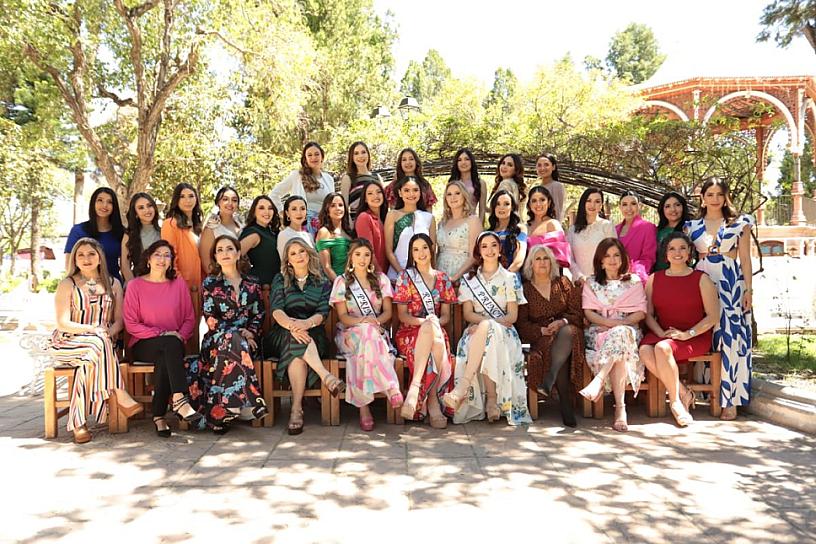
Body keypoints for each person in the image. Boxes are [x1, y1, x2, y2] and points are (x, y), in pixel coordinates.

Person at [50, 238, 141, 443]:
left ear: (100, 257)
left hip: (98, 345)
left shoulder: (113, 283)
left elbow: (119, 321)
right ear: (75, 259)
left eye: (91, 253)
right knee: (97, 342)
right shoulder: (68, 284)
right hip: (68, 341)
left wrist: (107, 332)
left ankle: (79, 423)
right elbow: (63, 323)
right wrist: (94, 330)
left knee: (91, 356)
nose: (86, 258)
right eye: (80, 255)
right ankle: (119, 392)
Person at [685, 178, 754, 421]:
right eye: (710, 194)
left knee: (730, 340)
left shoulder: (739, 224)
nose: (714, 199)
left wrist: (748, 290)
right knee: (707, 336)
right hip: (701, 283)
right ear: (702, 197)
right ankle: (705, 394)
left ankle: (730, 400)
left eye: (719, 194)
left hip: (730, 285)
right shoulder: (690, 226)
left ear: (726, 197)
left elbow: (745, 259)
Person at [445, 232, 531, 426]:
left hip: (505, 334)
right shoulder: (469, 280)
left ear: (500, 250)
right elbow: (467, 314)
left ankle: (463, 390)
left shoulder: (510, 278)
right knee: (487, 337)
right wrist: (485, 325)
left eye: (494, 245)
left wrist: (487, 324)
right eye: (484, 246)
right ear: (479, 251)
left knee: (489, 334)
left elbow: (512, 316)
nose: (490, 250)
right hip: (475, 332)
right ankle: (491, 401)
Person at [263, 238, 345, 435]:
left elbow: (322, 312)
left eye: (302, 251)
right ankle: (326, 377)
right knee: (295, 339)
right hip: (282, 332)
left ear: (308, 254)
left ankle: (296, 409)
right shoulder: (280, 279)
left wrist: (305, 324)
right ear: (288, 260)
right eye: (293, 253)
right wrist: (293, 326)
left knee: (297, 350)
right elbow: (277, 311)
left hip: (314, 333)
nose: (298, 256)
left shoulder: (322, 282)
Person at [187, 236, 268, 433]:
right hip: (217, 340)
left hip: (249, 342)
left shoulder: (252, 282)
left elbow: (259, 313)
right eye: (220, 250)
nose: (225, 253)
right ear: (215, 256)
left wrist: (250, 333)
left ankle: (227, 408)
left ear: (238, 253)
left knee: (236, 343)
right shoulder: (210, 283)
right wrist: (238, 333)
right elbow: (210, 318)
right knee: (232, 340)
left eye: (229, 248)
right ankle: (243, 404)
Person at [123, 240, 202, 437]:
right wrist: (163, 334)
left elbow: (189, 319)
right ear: (148, 259)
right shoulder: (135, 285)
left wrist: (179, 336)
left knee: (167, 354)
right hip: (143, 343)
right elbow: (131, 324)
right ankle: (180, 400)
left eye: (167, 255)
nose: (162, 259)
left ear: (171, 262)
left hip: (173, 345)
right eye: (157, 254)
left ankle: (159, 416)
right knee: (169, 344)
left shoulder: (178, 284)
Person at [640, 233, 719, 427]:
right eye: (672, 248)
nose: (677, 252)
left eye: (682, 248)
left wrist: (687, 334)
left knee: (662, 349)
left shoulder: (701, 279)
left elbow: (713, 316)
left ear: (690, 252)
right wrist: (659, 332)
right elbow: (648, 314)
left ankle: (675, 403)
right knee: (644, 350)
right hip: (664, 334)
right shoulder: (654, 279)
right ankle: (683, 391)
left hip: (694, 335)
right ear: (665, 254)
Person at [329, 239, 403, 431]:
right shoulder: (341, 281)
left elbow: (387, 313)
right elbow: (343, 317)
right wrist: (365, 322)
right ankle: (391, 386)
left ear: (371, 258)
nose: (362, 259)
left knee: (364, 347)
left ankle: (364, 409)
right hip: (348, 334)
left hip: (375, 334)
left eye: (367, 255)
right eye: (358, 254)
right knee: (366, 336)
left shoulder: (381, 280)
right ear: (351, 257)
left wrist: (374, 322)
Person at [578, 238, 647, 432]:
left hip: (629, 331)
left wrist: (619, 325)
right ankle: (620, 409)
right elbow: (589, 312)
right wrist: (609, 324)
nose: (612, 259)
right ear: (600, 260)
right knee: (619, 348)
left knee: (621, 335)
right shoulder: (591, 282)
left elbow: (641, 312)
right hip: (598, 331)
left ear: (623, 258)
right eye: (607, 256)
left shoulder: (633, 281)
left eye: (616, 255)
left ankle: (599, 380)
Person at [516, 245, 585, 427]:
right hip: (543, 338)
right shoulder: (525, 290)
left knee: (566, 333)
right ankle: (564, 403)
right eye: (537, 259)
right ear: (530, 264)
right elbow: (521, 324)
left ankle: (550, 380)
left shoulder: (562, 283)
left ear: (552, 262)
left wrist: (562, 322)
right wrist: (540, 331)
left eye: (545, 258)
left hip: (570, 332)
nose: (542, 263)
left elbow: (577, 313)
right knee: (555, 346)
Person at [393, 234, 456, 428]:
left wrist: (434, 323)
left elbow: (446, 315)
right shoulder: (405, 277)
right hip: (409, 333)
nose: (421, 253)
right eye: (416, 249)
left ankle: (415, 391)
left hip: (436, 331)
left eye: (424, 248)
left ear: (431, 249)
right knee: (432, 336)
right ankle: (433, 404)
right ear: (411, 254)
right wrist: (426, 323)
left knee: (434, 336)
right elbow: (403, 315)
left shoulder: (442, 278)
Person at [161, 182, 204, 352]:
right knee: (183, 333)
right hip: (181, 287)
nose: (187, 200)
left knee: (195, 333)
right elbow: (170, 256)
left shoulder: (199, 226)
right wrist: (180, 285)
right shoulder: (170, 223)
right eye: (182, 196)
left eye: (191, 196)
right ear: (176, 200)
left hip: (199, 286)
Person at [270, 142, 335, 236]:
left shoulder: (329, 179)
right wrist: (283, 213)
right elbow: (274, 194)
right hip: (302, 224)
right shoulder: (297, 176)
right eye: (309, 155)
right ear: (305, 159)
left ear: (322, 156)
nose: (313, 157)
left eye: (317, 154)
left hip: (324, 225)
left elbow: (332, 204)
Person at [65, 187, 125, 281]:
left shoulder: (121, 232)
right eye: (100, 200)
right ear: (93, 203)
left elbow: (125, 264)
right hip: (84, 285)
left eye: (110, 202)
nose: (104, 205)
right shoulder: (78, 231)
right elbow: (69, 264)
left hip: (113, 286)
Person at [384, 177, 437, 281]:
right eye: (406, 190)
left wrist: (432, 274)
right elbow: (388, 250)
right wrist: (402, 273)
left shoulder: (429, 218)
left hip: (423, 276)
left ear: (420, 192)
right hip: (397, 275)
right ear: (400, 193)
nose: (411, 194)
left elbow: (432, 249)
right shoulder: (392, 215)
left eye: (415, 190)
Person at [567, 187, 617, 283]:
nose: (592, 205)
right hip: (579, 283)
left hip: (603, 282)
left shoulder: (607, 226)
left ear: (601, 205)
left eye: (597, 201)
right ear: (583, 203)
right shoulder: (572, 230)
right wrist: (579, 276)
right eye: (589, 200)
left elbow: (613, 254)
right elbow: (570, 258)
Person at [436, 181, 481, 282]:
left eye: (457, 193)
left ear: (464, 195)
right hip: (441, 273)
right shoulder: (442, 223)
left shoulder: (473, 221)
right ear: (445, 198)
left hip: (463, 275)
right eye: (449, 194)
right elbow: (438, 252)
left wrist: (455, 277)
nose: (453, 197)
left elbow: (474, 256)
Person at [615, 191, 657, 284]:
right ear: (620, 207)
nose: (629, 208)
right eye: (625, 204)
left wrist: (633, 272)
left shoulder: (648, 227)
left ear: (640, 205)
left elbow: (648, 258)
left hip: (636, 278)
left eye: (633, 204)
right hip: (614, 279)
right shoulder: (614, 229)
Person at [239, 195, 281, 285]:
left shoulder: (272, 232)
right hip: (261, 287)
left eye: (270, 208)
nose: (267, 212)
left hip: (277, 284)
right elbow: (235, 256)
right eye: (261, 208)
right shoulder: (253, 233)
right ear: (254, 212)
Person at [199, 186, 242, 274]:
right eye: (225, 199)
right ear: (218, 202)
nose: (230, 203)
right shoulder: (211, 228)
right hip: (221, 280)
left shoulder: (242, 225)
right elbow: (206, 261)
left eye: (234, 200)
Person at [526, 185, 571, 269]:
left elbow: (561, 256)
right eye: (534, 201)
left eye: (542, 200)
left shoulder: (553, 225)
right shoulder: (525, 226)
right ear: (529, 204)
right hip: (527, 275)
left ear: (549, 202)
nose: (538, 204)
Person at [121, 192, 161, 283]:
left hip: (162, 283)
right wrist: (135, 287)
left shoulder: (163, 231)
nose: (147, 210)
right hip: (138, 283)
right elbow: (125, 266)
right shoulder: (129, 235)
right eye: (141, 208)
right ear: (135, 214)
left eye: (149, 205)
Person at [339, 141, 383, 220]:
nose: (360, 156)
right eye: (356, 153)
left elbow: (384, 204)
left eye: (363, 152)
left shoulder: (377, 177)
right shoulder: (348, 178)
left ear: (368, 155)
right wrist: (350, 225)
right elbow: (344, 207)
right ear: (351, 157)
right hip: (358, 222)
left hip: (378, 222)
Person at [315, 192, 354, 280]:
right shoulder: (324, 232)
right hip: (336, 284)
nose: (338, 208)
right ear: (327, 210)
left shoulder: (349, 232)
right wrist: (341, 285)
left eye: (340, 205)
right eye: (333, 206)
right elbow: (327, 267)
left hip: (355, 282)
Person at [488, 190, 527, 274]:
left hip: (510, 278)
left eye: (506, 204)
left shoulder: (520, 229)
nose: (501, 207)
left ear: (512, 207)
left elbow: (519, 260)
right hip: (489, 279)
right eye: (498, 204)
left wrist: (505, 276)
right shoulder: (488, 232)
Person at [353, 179, 389, 273]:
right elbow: (368, 251)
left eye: (378, 192)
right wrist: (380, 276)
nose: (375, 196)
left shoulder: (385, 219)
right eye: (370, 193)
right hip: (374, 275)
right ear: (365, 199)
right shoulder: (364, 218)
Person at [449, 148, 488, 224]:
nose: (463, 162)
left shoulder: (480, 183)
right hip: (454, 222)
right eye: (459, 160)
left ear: (472, 162)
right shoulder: (452, 183)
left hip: (472, 222)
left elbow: (482, 209)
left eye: (467, 159)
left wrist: (479, 227)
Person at [654, 191, 690, 272]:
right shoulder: (656, 231)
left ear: (683, 207)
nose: (673, 209)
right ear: (662, 210)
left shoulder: (691, 229)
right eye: (667, 206)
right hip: (659, 276)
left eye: (677, 205)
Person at [534, 153, 566, 221]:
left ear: (553, 167)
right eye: (539, 165)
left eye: (546, 165)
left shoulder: (556, 186)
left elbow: (557, 212)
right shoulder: (537, 188)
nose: (542, 168)